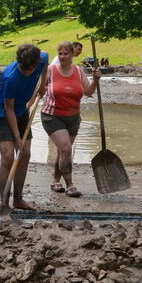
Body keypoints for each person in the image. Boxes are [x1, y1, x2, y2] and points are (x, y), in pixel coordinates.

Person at [0, 44, 49, 210]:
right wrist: (17, 138)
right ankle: (4, 204)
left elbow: (46, 56)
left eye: (30, 70)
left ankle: (18, 199)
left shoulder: (41, 59)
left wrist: (43, 83)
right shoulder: (10, 77)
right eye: (24, 69)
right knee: (8, 157)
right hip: (2, 112)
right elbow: (9, 110)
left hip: (21, 110)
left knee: (25, 154)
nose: (27, 73)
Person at [42, 40, 99, 197]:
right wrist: (27, 103)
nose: (62, 56)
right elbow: (38, 89)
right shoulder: (50, 70)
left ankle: (55, 180)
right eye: (60, 53)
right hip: (52, 116)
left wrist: (95, 80)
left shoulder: (79, 71)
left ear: (73, 54)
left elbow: (88, 92)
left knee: (63, 151)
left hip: (73, 117)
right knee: (66, 149)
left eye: (65, 53)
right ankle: (70, 185)